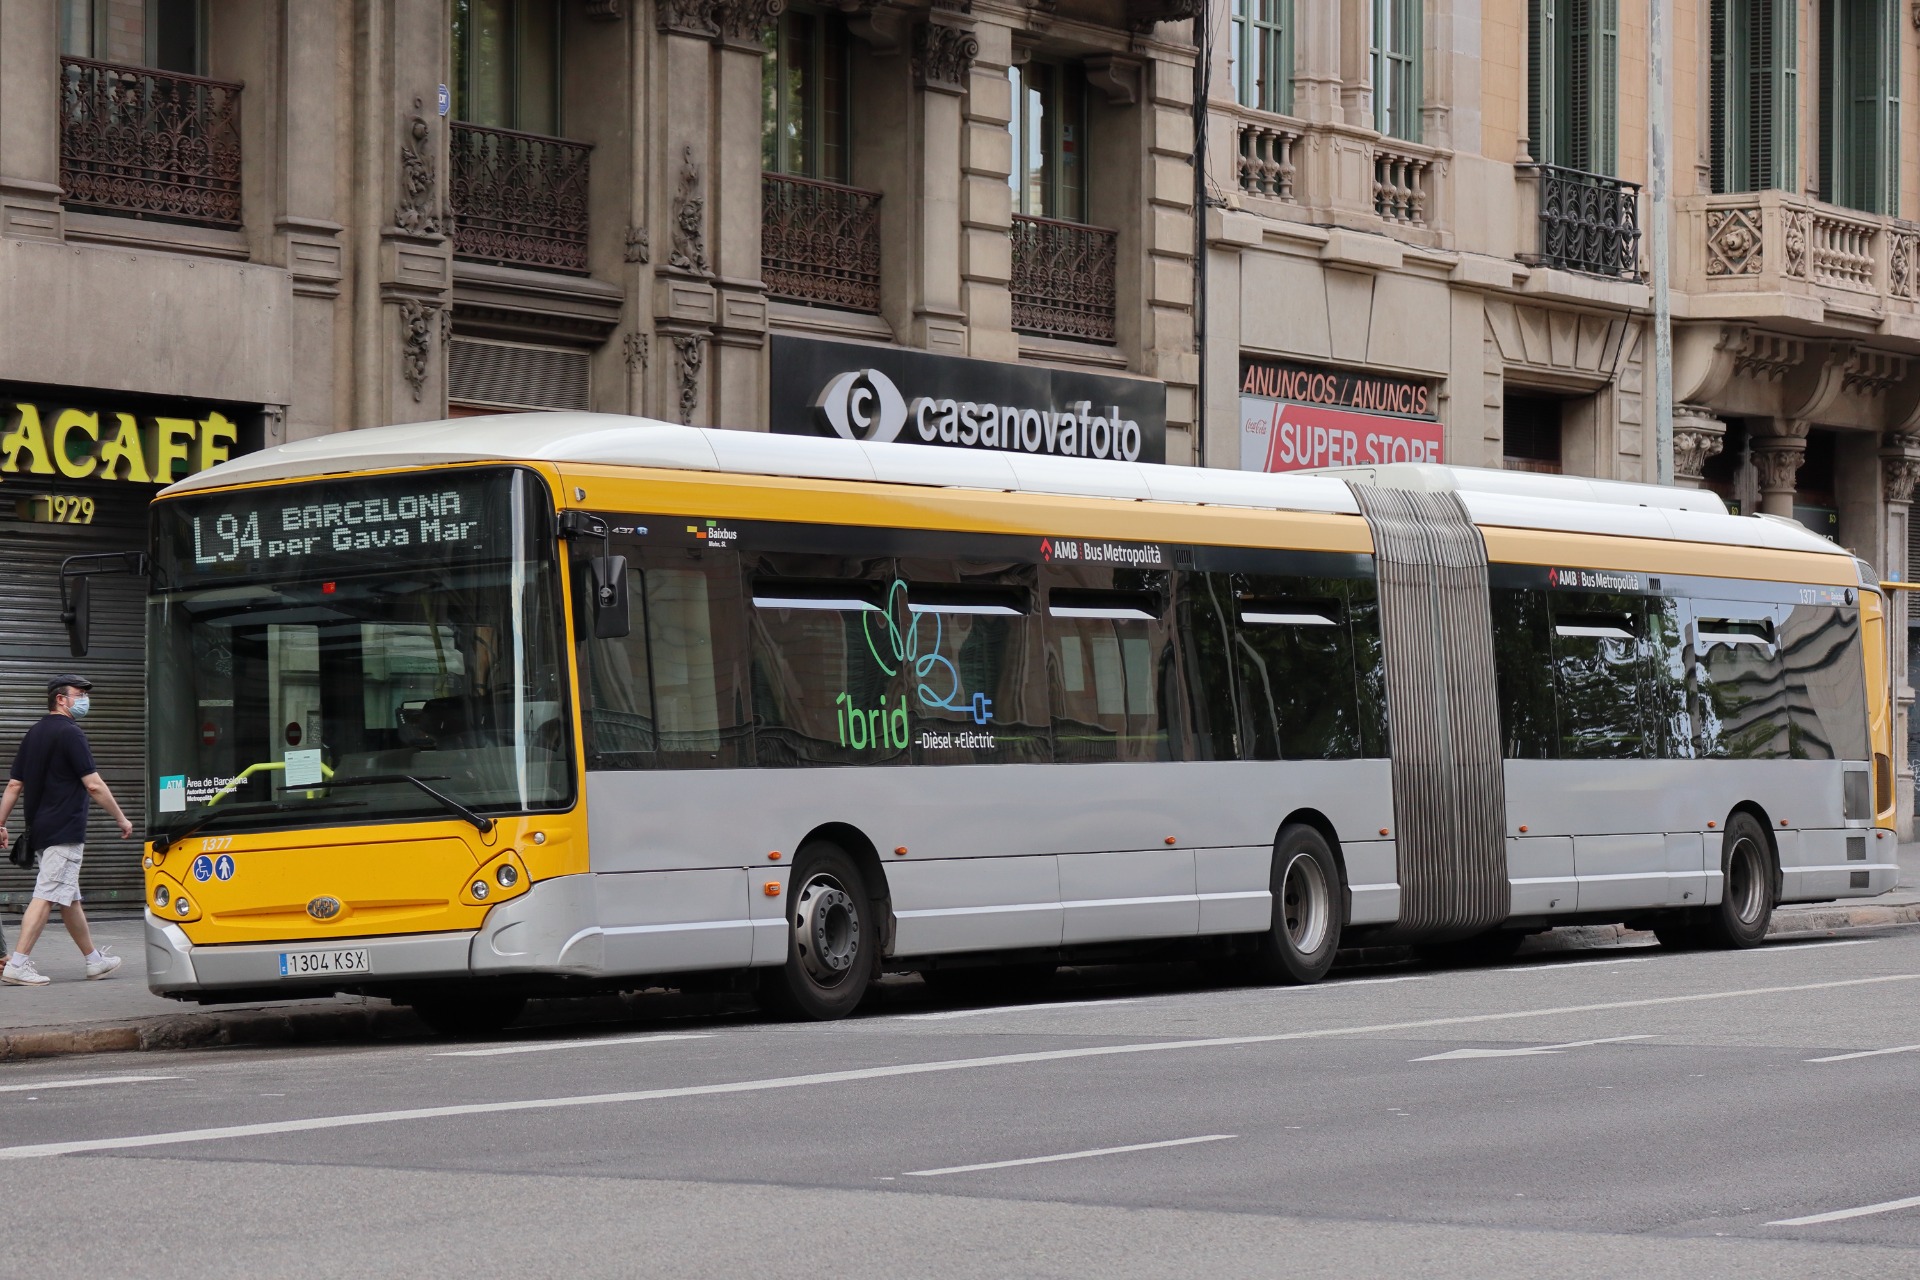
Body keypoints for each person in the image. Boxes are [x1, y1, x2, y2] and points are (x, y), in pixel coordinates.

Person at [0, 676, 132, 986]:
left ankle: (94, 960)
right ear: (61, 699)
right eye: (80, 694)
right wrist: (121, 818)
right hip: (64, 829)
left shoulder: (34, 733)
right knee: (47, 894)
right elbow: (93, 784)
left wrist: (1, 823)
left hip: (41, 830)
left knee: (68, 897)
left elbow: (15, 785)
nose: (85, 699)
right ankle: (17, 964)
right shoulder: (71, 733)